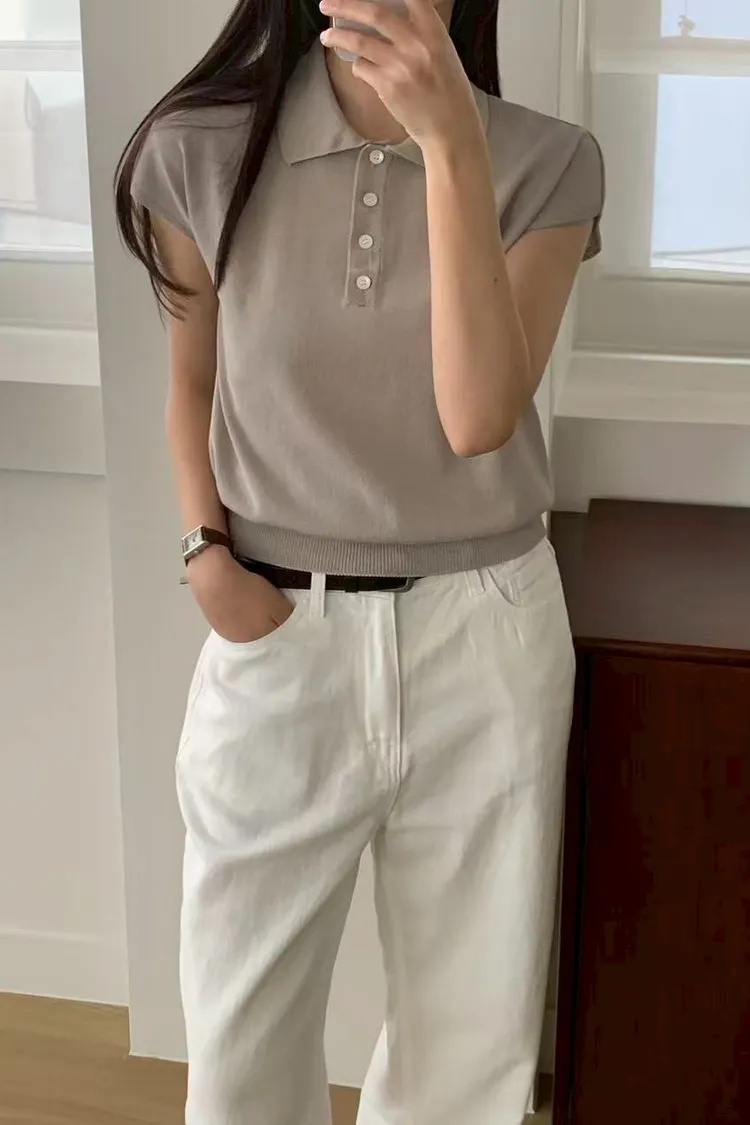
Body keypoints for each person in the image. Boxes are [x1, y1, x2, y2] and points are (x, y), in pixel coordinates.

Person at [115, 0, 604, 1122]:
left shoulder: (548, 162)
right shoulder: (198, 150)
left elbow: (477, 416)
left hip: (486, 633)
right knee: (239, 1043)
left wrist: (452, 144)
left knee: (466, 1047)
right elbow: (191, 380)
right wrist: (204, 554)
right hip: (281, 629)